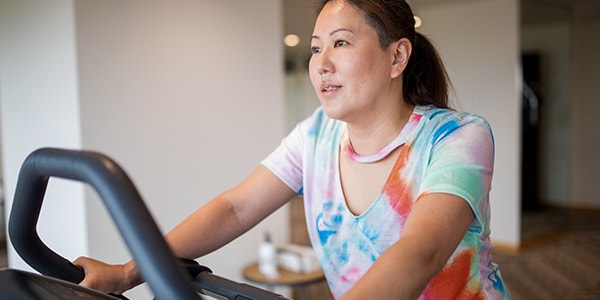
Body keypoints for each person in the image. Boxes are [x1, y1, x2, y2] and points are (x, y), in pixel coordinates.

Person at [74, 0, 511, 299]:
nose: (320, 63)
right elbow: (235, 208)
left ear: (397, 57)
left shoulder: (456, 138)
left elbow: (422, 251)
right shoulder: (315, 136)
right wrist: (128, 271)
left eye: (340, 43)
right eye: (315, 48)